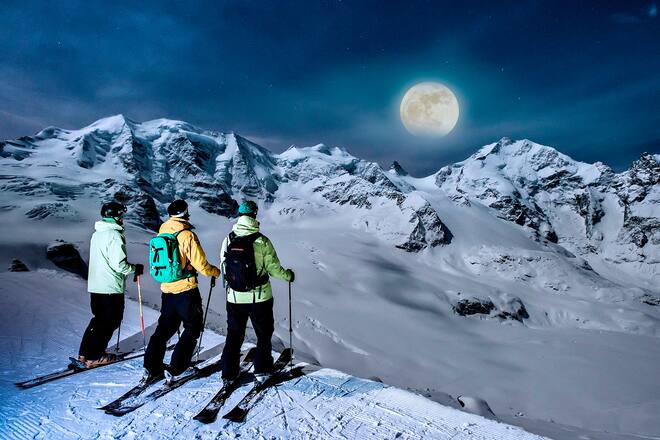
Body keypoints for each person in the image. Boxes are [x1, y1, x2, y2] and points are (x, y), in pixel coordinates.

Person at [143, 199, 221, 381]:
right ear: (185, 213)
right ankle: (178, 369)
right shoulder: (187, 235)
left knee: (164, 329)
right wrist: (215, 272)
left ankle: (151, 367)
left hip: (167, 290)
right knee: (192, 328)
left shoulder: (162, 231)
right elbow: (201, 266)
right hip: (186, 290)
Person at [219, 200, 295, 384]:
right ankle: (262, 370)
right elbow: (274, 269)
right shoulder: (262, 241)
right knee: (263, 334)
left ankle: (228, 373)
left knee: (234, 335)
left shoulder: (228, 239)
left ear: (240, 215)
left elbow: (223, 265)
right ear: (255, 215)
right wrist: (288, 276)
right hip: (260, 298)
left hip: (234, 297)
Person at [79, 201, 143, 367]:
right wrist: (135, 268)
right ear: (116, 217)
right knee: (110, 321)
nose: (123, 218)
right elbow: (119, 265)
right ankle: (95, 356)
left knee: (98, 320)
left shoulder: (97, 234)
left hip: (96, 286)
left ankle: (85, 354)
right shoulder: (114, 235)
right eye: (122, 215)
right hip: (110, 287)